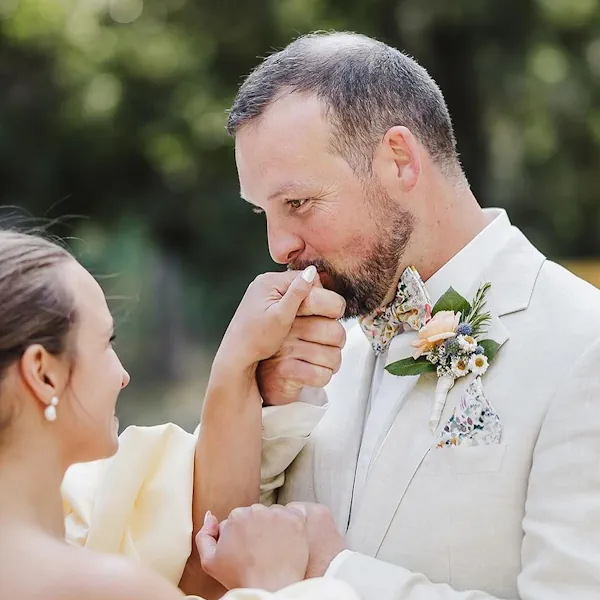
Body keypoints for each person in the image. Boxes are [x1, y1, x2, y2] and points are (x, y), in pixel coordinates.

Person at [223, 30, 600, 599]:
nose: (279, 247)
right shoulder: (311, 361)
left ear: (398, 160)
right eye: (264, 213)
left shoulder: (583, 345)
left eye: (297, 203)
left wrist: (337, 578)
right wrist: (261, 400)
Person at [0, 229, 358, 600]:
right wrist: (277, 582)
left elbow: (190, 542)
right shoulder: (100, 588)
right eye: (107, 342)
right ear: (43, 373)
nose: (123, 376)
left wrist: (240, 360)